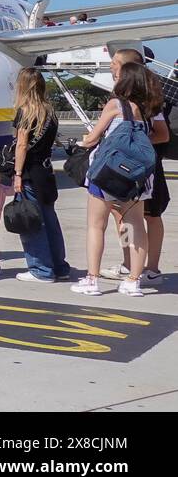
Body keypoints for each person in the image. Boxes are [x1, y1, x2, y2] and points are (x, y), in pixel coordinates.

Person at [73, 61, 154, 297]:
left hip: (108, 174)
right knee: (134, 224)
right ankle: (132, 280)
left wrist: (83, 141)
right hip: (136, 178)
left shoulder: (115, 105)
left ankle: (92, 279)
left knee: (96, 225)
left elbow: (92, 138)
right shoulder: (146, 108)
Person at [100, 49, 169, 284]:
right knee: (122, 216)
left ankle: (152, 268)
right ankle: (129, 263)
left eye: (115, 63)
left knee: (151, 216)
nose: (111, 66)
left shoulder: (149, 99)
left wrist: (131, 142)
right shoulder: (118, 97)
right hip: (123, 169)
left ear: (128, 69)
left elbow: (162, 135)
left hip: (145, 167)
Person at [10, 67, 71, 283]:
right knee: (49, 219)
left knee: (31, 221)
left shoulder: (26, 112)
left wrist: (17, 174)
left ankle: (41, 269)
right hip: (46, 172)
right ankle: (59, 266)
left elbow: (22, 145)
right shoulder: (50, 112)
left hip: (30, 172)